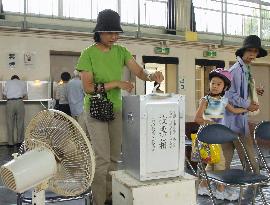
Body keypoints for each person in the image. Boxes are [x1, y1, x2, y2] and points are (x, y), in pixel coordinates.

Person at [76, 9, 164, 205]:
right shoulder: (88, 54)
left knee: (115, 158)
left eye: (117, 33)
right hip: (96, 110)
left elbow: (140, 72)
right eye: (110, 33)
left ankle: (110, 196)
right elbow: (89, 88)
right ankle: (98, 200)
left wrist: (152, 75)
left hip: (116, 109)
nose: (114, 37)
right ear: (99, 32)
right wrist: (116, 83)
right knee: (102, 159)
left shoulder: (121, 51)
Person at [194, 68, 247, 201]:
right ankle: (220, 189)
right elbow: (197, 118)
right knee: (220, 162)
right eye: (213, 83)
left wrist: (247, 109)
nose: (215, 86)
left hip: (216, 136)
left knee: (212, 163)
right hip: (206, 136)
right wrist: (208, 122)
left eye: (219, 84)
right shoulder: (205, 100)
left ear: (225, 87)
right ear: (209, 84)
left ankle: (203, 185)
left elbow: (234, 110)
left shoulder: (224, 100)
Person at [222, 35, 267, 175]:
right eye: (250, 50)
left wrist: (253, 90)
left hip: (235, 118)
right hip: (234, 119)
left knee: (226, 156)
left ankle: (219, 185)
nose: (253, 54)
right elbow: (229, 94)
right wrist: (248, 104)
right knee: (247, 151)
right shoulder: (236, 70)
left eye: (255, 51)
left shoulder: (245, 69)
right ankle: (255, 179)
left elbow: (240, 90)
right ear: (243, 51)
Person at [2, 75, 27, 147]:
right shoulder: (22, 82)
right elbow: (25, 94)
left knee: (10, 123)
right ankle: (20, 142)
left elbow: (4, 94)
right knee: (20, 123)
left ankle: (10, 143)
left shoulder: (8, 82)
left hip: (10, 103)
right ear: (18, 78)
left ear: (12, 79)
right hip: (19, 102)